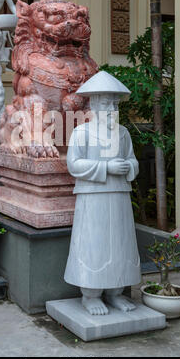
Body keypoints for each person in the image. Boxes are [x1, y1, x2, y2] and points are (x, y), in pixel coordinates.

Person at [65, 71, 141, 316]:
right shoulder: (82, 133)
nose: (112, 108)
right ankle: (90, 295)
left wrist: (128, 167)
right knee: (93, 243)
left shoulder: (123, 134)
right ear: (94, 105)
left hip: (119, 194)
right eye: (106, 103)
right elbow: (74, 165)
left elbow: (133, 161)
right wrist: (106, 167)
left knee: (120, 243)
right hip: (93, 196)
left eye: (115, 103)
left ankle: (116, 292)